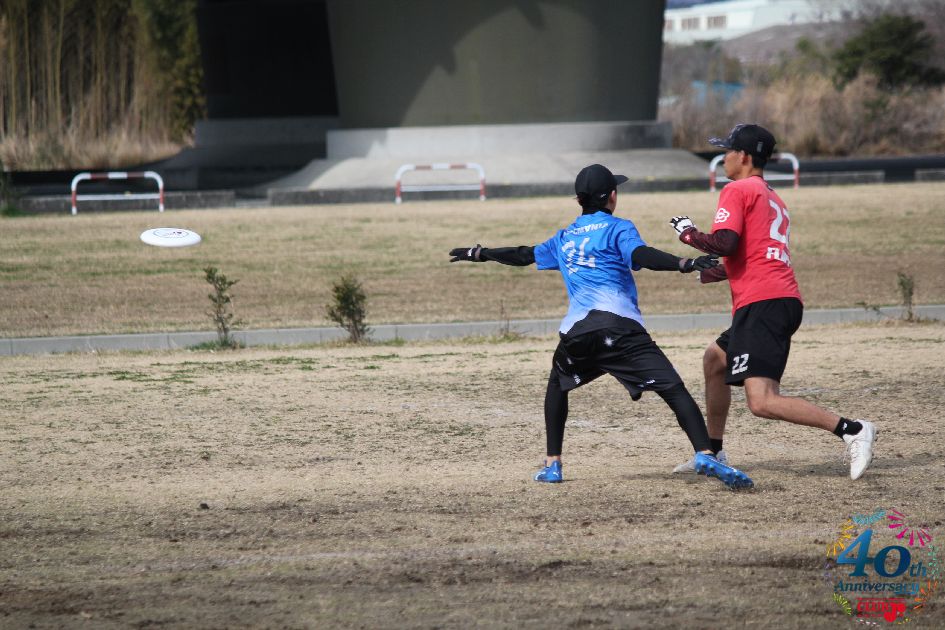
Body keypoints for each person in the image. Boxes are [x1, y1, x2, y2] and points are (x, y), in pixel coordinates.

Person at [449, 164, 753, 489]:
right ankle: (705, 454)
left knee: (557, 385)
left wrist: (479, 253)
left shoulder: (565, 237)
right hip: (620, 329)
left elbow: (524, 255)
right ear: (612, 196)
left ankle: (552, 465)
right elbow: (641, 254)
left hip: (578, 333)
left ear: (579, 200)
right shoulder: (618, 228)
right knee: (673, 389)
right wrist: (685, 263)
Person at [668, 123, 877, 480]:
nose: (724, 158)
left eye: (728, 151)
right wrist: (710, 272)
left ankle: (853, 430)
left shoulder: (737, 189)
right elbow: (755, 254)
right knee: (715, 359)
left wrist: (688, 233)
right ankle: (712, 451)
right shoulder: (771, 196)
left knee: (762, 401)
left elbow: (725, 242)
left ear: (744, 157)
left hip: (764, 302)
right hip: (776, 299)